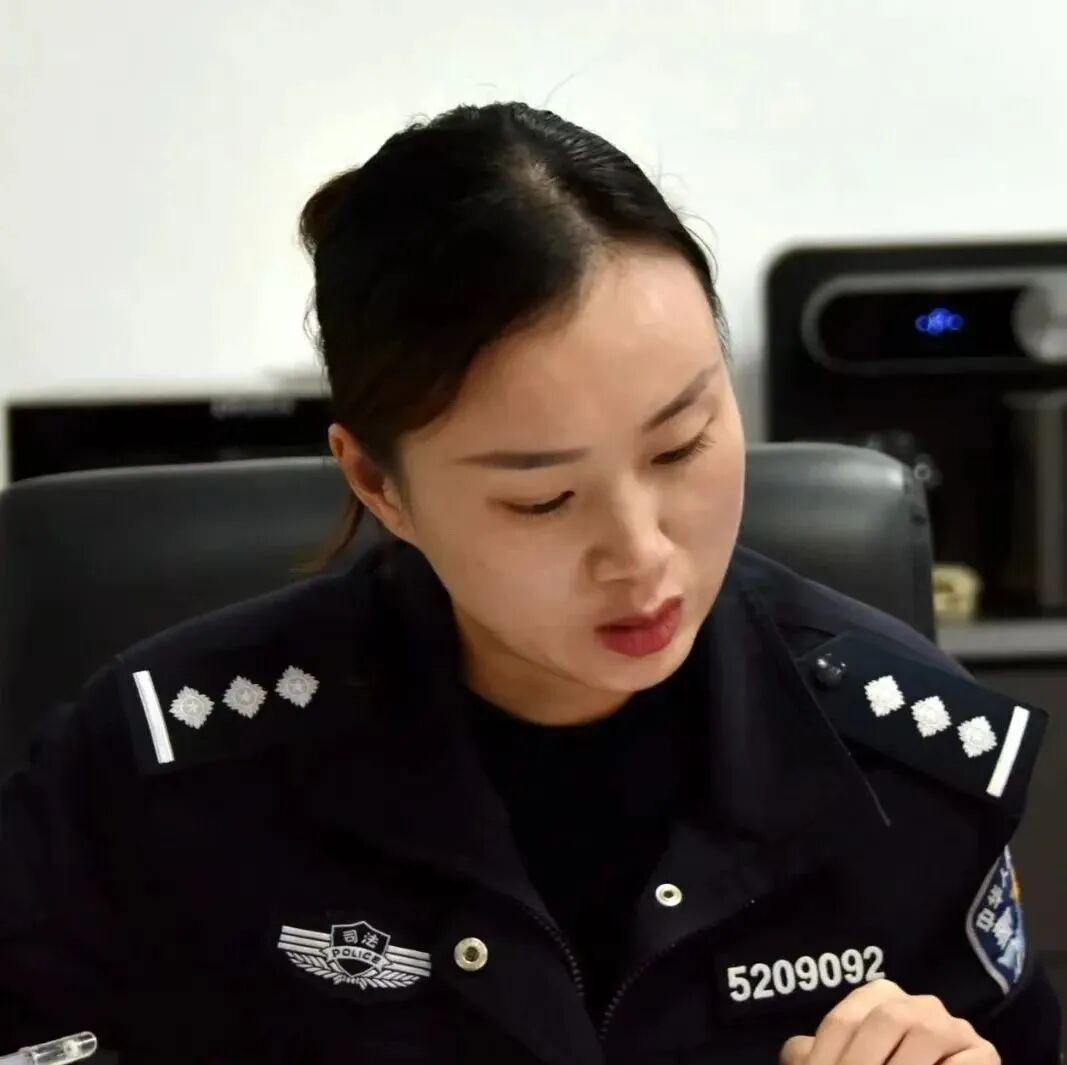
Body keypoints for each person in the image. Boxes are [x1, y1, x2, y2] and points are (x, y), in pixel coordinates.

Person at [0, 101, 1059, 1065]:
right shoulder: (163, 774)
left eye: (681, 444)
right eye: (542, 500)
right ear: (378, 484)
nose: (639, 552)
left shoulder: (908, 764)